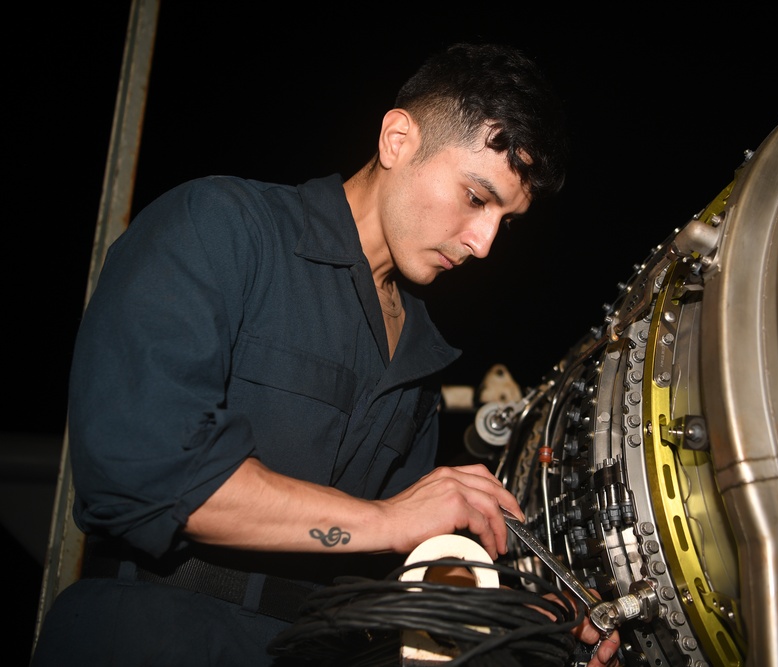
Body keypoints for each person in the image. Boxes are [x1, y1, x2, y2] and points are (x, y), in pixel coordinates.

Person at [31, 42, 620, 666]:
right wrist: (389, 518)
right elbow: (146, 473)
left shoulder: (420, 357)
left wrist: (513, 617)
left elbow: (388, 580)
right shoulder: (220, 227)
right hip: (147, 640)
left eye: (506, 221)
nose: (483, 243)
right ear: (397, 139)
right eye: (477, 198)